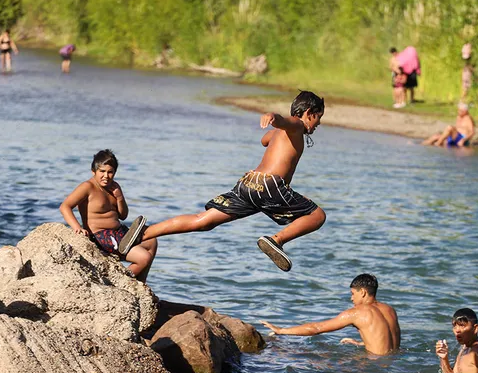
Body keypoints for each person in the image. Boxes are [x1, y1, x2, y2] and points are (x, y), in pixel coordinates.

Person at [129, 91, 327, 272]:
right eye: (318, 118)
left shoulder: (282, 133)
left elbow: (265, 140)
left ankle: (143, 234)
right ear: (309, 112)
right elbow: (284, 121)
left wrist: (276, 129)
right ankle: (276, 240)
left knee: (204, 220)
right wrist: (273, 117)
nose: (317, 124)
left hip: (249, 184)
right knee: (317, 216)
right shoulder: (297, 124)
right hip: (269, 186)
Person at [60, 150, 157, 282]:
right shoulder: (87, 187)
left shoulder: (114, 187)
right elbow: (65, 206)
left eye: (110, 172)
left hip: (119, 232)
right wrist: (77, 227)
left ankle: (140, 284)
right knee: (143, 258)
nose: (106, 176)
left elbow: (123, 215)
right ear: (93, 171)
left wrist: (119, 197)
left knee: (151, 242)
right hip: (102, 236)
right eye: (102, 171)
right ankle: (119, 284)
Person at [260, 274, 400, 355]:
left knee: (314, 358)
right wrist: (362, 343)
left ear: (362, 292)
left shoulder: (357, 313)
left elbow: (316, 328)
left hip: (374, 367)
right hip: (394, 362)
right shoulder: (389, 310)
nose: (351, 298)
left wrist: (281, 330)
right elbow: (387, 342)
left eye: (353, 294)